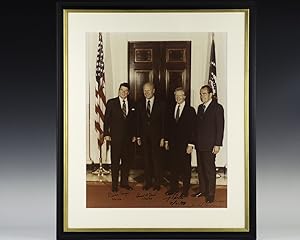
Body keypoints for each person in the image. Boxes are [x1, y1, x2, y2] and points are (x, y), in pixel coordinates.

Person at [193, 85, 224, 203]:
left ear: (210, 94)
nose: (202, 96)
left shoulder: (217, 108)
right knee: (200, 169)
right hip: (200, 144)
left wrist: (217, 144)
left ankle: (210, 194)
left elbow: (220, 127)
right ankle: (203, 190)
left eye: (204, 93)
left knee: (209, 170)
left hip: (211, 145)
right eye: (201, 94)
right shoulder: (200, 108)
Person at [104, 83, 136, 192]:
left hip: (128, 140)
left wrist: (135, 135)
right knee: (115, 162)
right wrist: (106, 134)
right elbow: (106, 120)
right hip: (115, 138)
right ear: (118, 91)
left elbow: (135, 122)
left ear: (129, 92)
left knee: (126, 162)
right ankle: (114, 185)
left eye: (126, 91)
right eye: (122, 90)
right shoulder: (111, 103)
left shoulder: (132, 104)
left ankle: (124, 183)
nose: (124, 92)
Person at [164, 87, 196, 197]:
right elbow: (168, 126)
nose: (178, 98)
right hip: (173, 144)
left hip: (185, 145)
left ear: (184, 96)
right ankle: (174, 188)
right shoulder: (171, 108)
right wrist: (167, 141)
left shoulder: (190, 110)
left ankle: (185, 190)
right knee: (173, 167)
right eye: (176, 96)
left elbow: (193, 129)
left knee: (185, 168)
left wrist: (191, 144)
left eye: (180, 95)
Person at [137, 82, 165, 191]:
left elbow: (164, 122)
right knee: (146, 160)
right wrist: (138, 136)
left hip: (157, 138)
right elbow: (138, 121)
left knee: (156, 160)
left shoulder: (161, 104)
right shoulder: (139, 104)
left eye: (148, 90)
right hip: (144, 138)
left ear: (154, 91)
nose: (146, 93)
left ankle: (157, 183)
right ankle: (148, 182)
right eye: (144, 90)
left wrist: (163, 137)